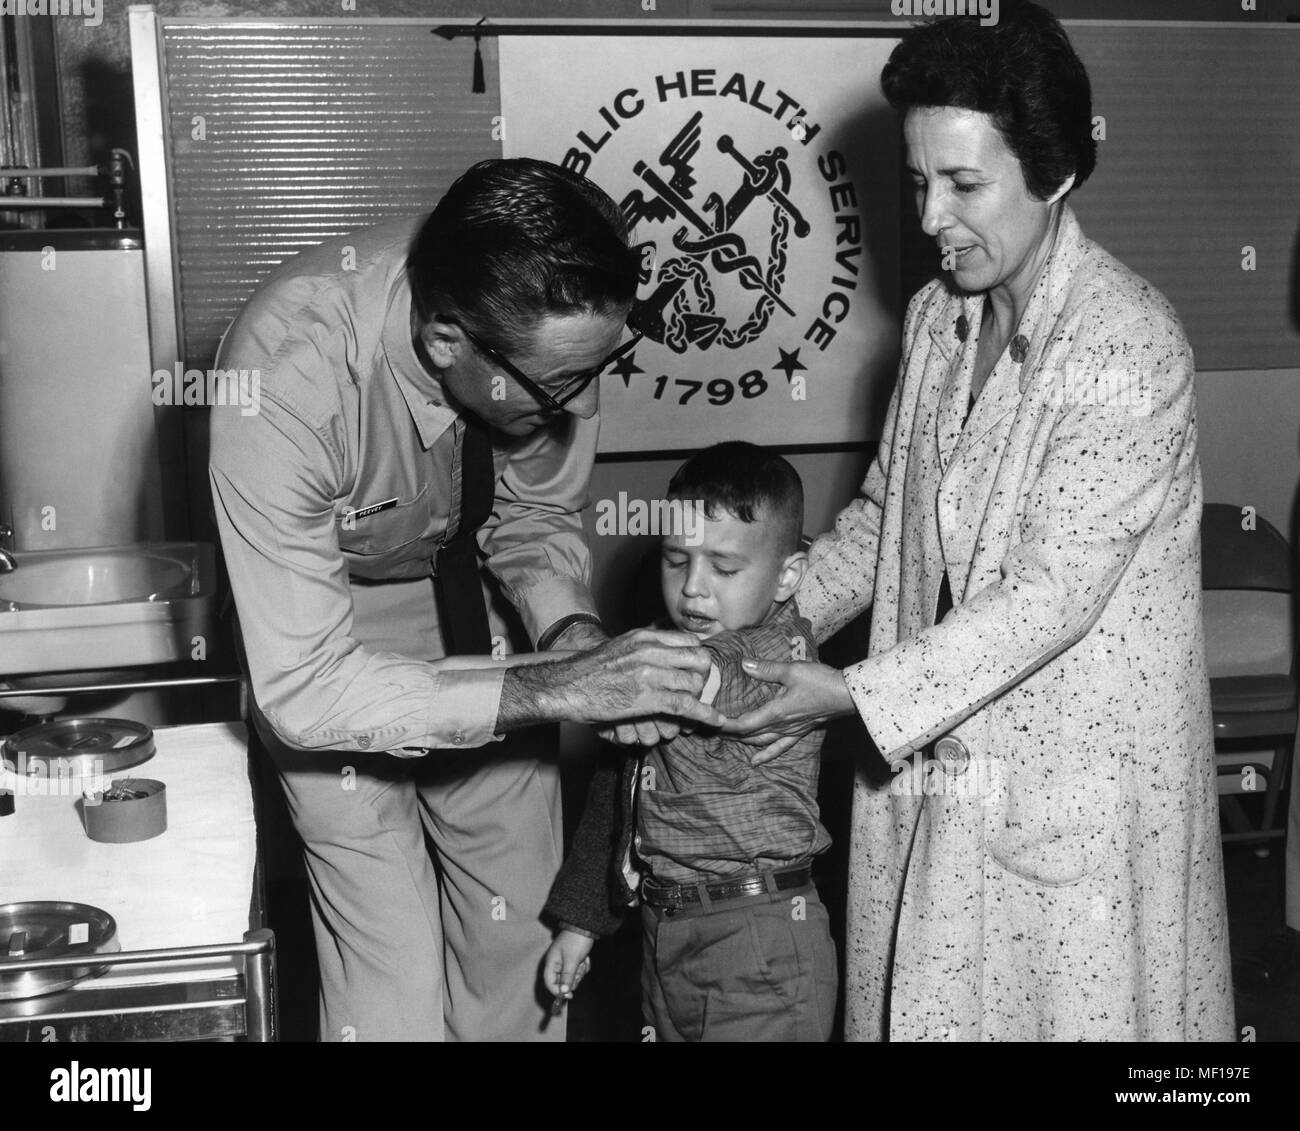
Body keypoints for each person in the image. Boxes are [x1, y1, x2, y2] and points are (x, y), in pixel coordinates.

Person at [722, 2, 1234, 1041]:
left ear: (1053, 173)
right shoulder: (937, 319)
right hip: (942, 777)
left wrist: (846, 692)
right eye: (918, 182)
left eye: (963, 184)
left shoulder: (1126, 342)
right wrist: (769, 614)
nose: (927, 220)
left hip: (1074, 797)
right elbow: (886, 518)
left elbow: (1053, 593)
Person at [208, 158, 723, 1043]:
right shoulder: (283, 369)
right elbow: (304, 688)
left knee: (521, 944)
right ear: (447, 340)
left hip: (470, 606)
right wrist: (558, 689)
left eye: (599, 369)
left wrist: (574, 640)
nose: (581, 405)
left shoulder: (547, 337)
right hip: (318, 630)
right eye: (559, 386)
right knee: (391, 970)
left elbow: (530, 515)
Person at [541, 442, 838, 1041]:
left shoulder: (783, 650)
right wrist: (580, 924)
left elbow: (718, 671)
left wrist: (620, 675)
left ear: (787, 576)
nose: (694, 589)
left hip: (762, 935)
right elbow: (616, 804)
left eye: (725, 569)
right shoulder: (659, 646)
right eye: (677, 560)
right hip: (663, 930)